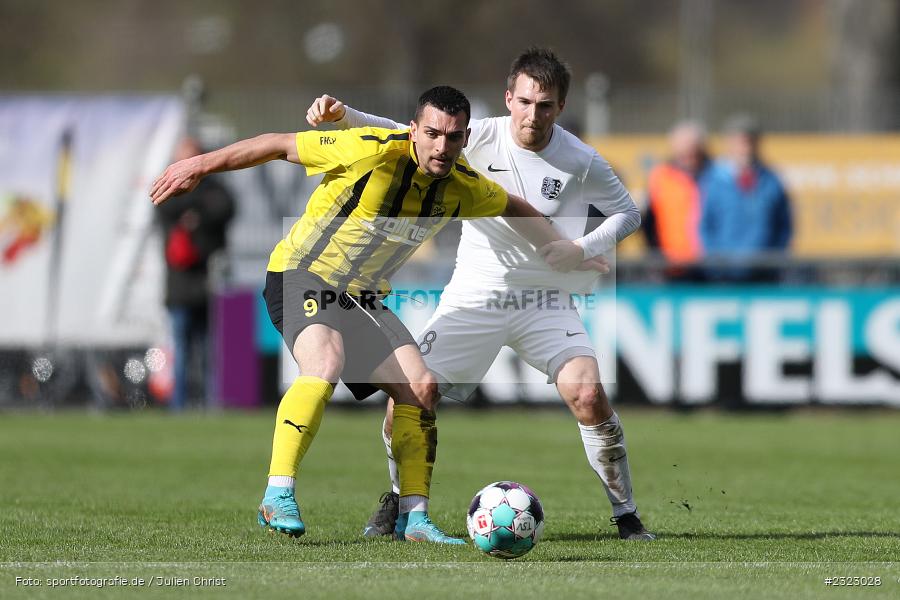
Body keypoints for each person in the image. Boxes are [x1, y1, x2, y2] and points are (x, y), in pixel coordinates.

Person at [151, 86, 596, 544]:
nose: (442, 146)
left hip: (361, 297)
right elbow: (278, 144)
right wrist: (198, 165)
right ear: (413, 130)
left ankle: (414, 519)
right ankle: (278, 492)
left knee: (421, 388)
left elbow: (514, 206)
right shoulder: (370, 150)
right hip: (303, 272)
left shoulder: (462, 186)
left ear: (465, 138)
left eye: (453, 137)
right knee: (325, 361)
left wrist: (568, 250)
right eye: (432, 133)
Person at [307, 48, 655, 541]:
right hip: (474, 294)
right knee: (410, 397)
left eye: (546, 105)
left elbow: (628, 212)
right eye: (526, 102)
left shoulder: (580, 159)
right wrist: (345, 116)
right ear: (509, 98)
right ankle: (399, 501)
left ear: (560, 106)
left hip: (544, 300)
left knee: (588, 394)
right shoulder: (475, 137)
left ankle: (627, 514)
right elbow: (404, 131)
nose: (533, 115)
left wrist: (580, 248)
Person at [156, 136, 235, 410]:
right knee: (181, 347)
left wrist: (196, 211)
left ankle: (210, 403)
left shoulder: (213, 185)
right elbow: (163, 206)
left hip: (207, 282)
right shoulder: (167, 184)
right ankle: (179, 405)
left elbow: (225, 208)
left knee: (210, 348)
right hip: (179, 284)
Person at [699, 114, 793, 282]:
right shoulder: (712, 181)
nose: (745, 148)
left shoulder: (772, 180)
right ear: (729, 143)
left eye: (750, 142)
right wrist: (715, 261)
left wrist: (774, 258)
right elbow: (703, 225)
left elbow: (784, 225)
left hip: (764, 273)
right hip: (723, 275)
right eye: (739, 142)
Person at [643, 120, 710, 281]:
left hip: (710, 266)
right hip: (671, 266)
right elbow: (649, 223)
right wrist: (657, 257)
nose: (688, 157)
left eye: (693, 152)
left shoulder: (716, 176)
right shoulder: (660, 177)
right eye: (683, 152)